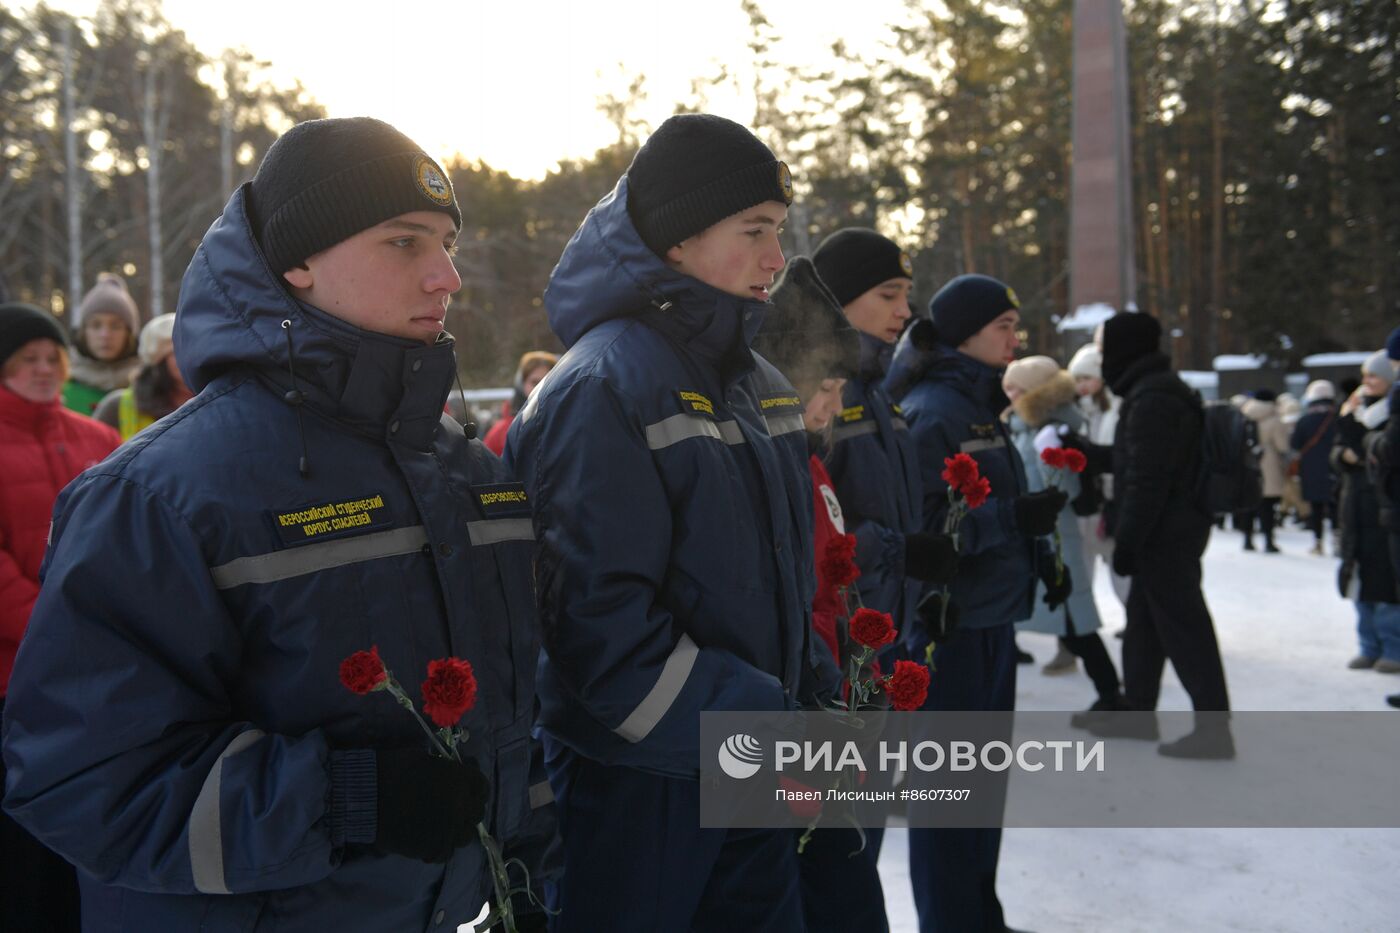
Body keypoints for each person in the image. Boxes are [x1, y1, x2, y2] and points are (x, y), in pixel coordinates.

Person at [2, 117, 554, 932]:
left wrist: (523, 870)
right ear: (297, 262)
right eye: (405, 243)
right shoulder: (159, 493)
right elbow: (79, 776)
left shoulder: (470, 473)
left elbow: (518, 717)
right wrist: (341, 800)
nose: (446, 277)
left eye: (448, 244)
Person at [504, 113, 839, 933]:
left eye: (781, 231)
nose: (777, 258)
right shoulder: (603, 385)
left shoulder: (757, 380)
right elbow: (594, 629)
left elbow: (787, 577)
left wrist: (821, 704)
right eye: (755, 230)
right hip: (640, 786)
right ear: (678, 240)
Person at [885, 274, 1067, 933]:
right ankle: (948, 920)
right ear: (966, 333)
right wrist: (1014, 519)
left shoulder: (982, 406)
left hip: (991, 618)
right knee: (948, 793)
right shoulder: (936, 410)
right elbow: (929, 530)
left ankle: (977, 916)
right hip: (949, 627)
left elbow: (986, 508)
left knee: (982, 788)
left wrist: (1039, 551)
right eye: (1004, 327)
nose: (1017, 339)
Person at [755, 256, 923, 933]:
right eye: (822, 389)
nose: (830, 406)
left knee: (848, 887)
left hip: (834, 713)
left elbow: (833, 584)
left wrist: (865, 671)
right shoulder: (773, 469)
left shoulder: (810, 459)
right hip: (794, 731)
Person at [0, 302, 121, 932]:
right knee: (22, 838)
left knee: (87, 823)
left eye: (53, 358)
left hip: (97, 671)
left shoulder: (97, 438)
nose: (44, 370)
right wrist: (55, 627)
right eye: (28, 359)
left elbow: (132, 536)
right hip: (13, 676)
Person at [1080, 312, 1232, 758]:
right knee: (1145, 624)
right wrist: (1090, 454)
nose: (1103, 356)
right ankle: (1138, 712)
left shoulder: (1154, 398)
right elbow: (1138, 462)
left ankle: (1214, 729)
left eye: (1106, 346)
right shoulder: (1153, 392)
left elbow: (1148, 480)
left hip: (1166, 536)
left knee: (1185, 630)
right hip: (1167, 531)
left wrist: (1128, 541)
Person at [810, 229, 936, 651]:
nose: (904, 311)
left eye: (905, 295)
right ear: (838, 298)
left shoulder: (880, 393)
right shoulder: (814, 392)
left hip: (887, 625)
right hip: (837, 637)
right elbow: (805, 529)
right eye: (888, 295)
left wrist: (922, 597)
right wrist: (897, 552)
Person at [1002, 356, 1122, 711]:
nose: (1008, 394)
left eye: (1016, 388)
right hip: (1023, 539)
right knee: (1008, 618)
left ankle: (1110, 694)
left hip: (1055, 541)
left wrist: (1049, 463)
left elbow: (1066, 490)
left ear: (1036, 392)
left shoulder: (1053, 430)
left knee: (1075, 622)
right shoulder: (1019, 426)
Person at [1332, 350, 1399, 673]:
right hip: (1354, 506)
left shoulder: (1390, 414)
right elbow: (1342, 452)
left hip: (1383, 506)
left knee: (1387, 583)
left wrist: (1355, 451)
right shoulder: (1354, 410)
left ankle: (1392, 647)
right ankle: (1368, 644)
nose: (1367, 382)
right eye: (1365, 375)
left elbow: (1373, 452)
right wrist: (1343, 455)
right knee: (1358, 579)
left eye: (1374, 376)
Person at [92, 313, 195, 439]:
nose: (189, 358)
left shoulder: (218, 401)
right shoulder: (117, 407)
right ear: (159, 361)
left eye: (194, 349)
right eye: (176, 352)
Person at [61, 272, 140, 415]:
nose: (105, 335)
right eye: (96, 325)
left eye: (116, 326)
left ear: (129, 334)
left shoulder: (149, 389)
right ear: (83, 332)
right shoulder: (60, 389)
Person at [1239, 388, 1291, 552]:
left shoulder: (1243, 414)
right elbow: (1282, 446)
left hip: (1247, 463)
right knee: (1267, 505)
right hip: (1268, 463)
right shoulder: (1274, 419)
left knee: (1249, 503)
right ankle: (1268, 540)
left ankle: (1247, 539)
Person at [1291, 380, 1338, 555]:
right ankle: (1337, 538)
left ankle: (1318, 542)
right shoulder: (1337, 418)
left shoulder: (1305, 420)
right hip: (1335, 468)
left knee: (1316, 507)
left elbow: (1295, 444)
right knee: (1335, 505)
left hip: (1311, 469)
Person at [482, 350, 557, 456]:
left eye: (547, 381)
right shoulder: (501, 432)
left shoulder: (565, 425)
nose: (540, 388)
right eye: (534, 382)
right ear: (521, 384)